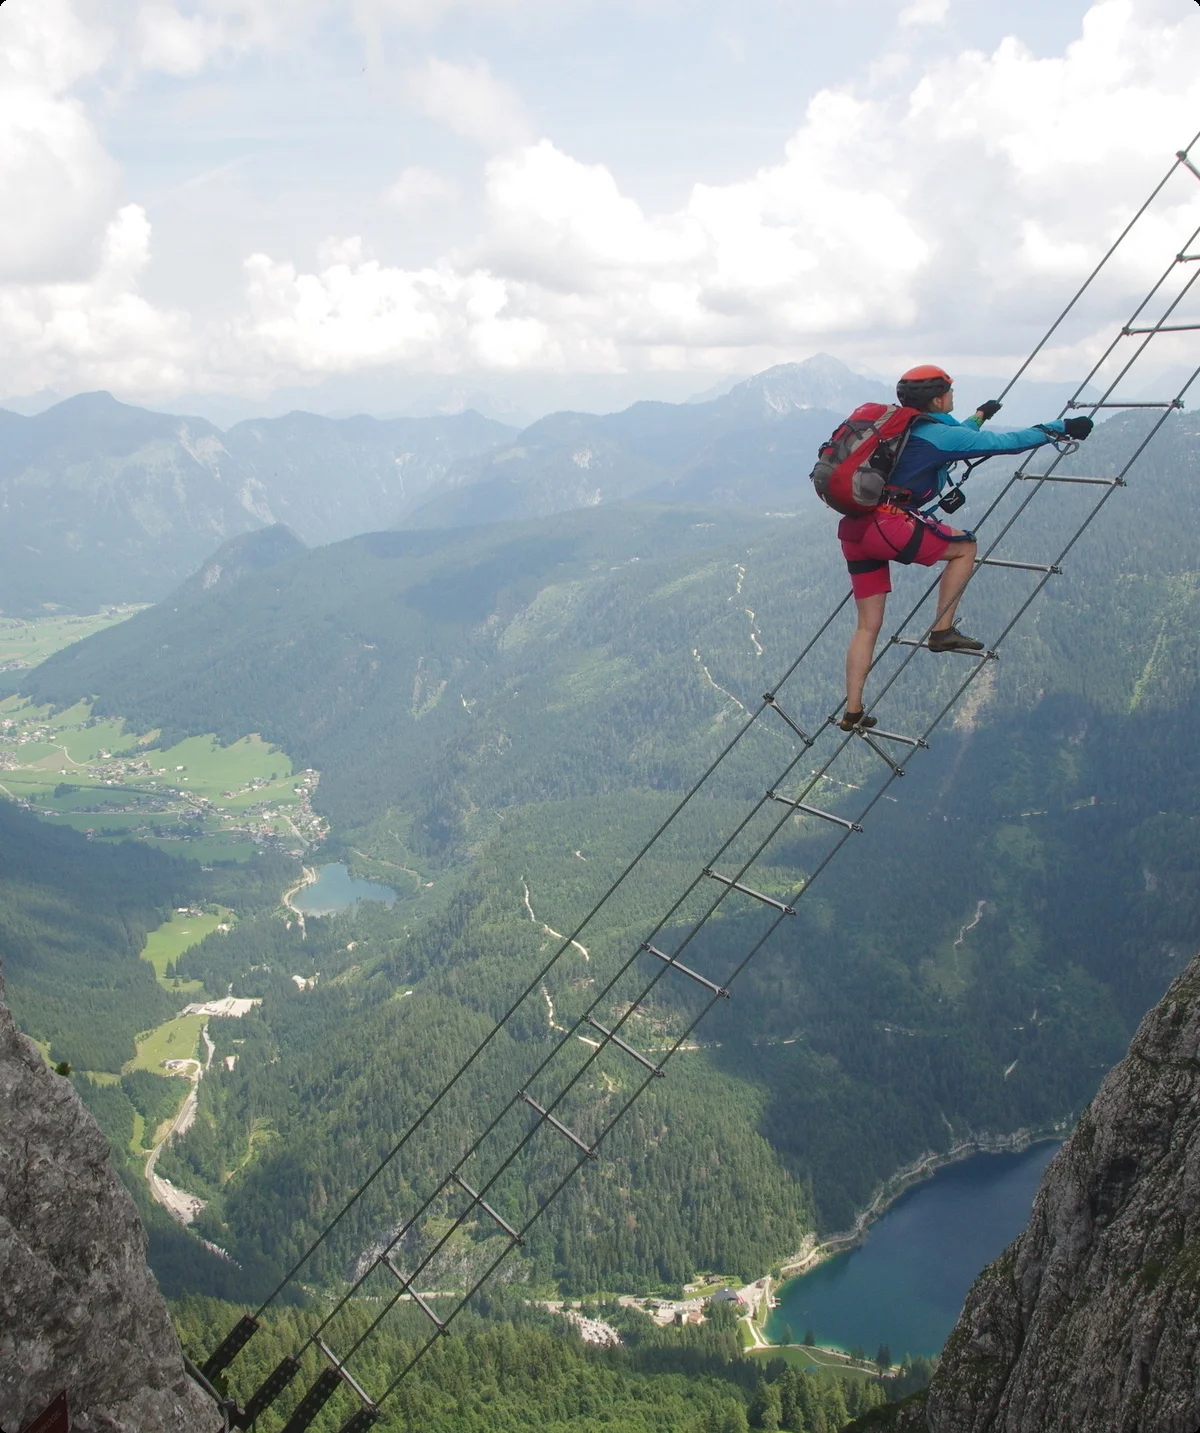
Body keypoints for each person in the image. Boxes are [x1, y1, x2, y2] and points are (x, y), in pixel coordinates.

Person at [839, 364, 1093, 731]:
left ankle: (853, 711)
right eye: (950, 394)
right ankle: (942, 631)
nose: (953, 399)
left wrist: (978, 417)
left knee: (867, 627)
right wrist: (1059, 428)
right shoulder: (937, 435)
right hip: (890, 524)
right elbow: (1005, 444)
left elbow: (954, 436)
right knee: (965, 547)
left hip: (856, 530)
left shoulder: (902, 427)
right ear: (939, 399)